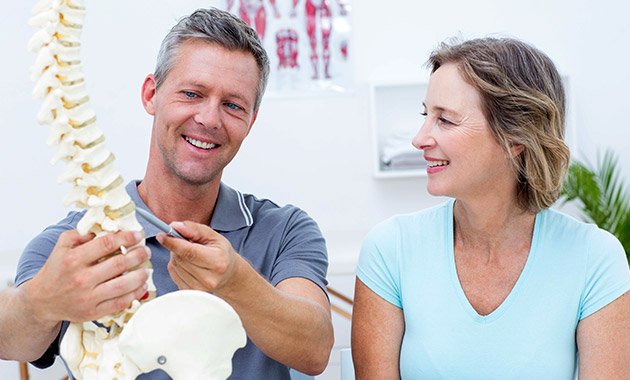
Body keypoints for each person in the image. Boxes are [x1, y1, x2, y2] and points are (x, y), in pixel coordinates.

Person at [0, 8, 333, 379]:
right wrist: (41, 302)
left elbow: (315, 349)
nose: (209, 119)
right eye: (192, 94)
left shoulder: (285, 230)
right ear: (151, 95)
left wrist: (236, 282)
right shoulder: (75, 244)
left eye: (233, 105)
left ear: (251, 121)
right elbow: (11, 341)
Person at [352, 37, 630, 379]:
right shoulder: (390, 249)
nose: (420, 138)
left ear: (515, 137)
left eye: (446, 120)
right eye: (426, 115)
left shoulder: (595, 257)